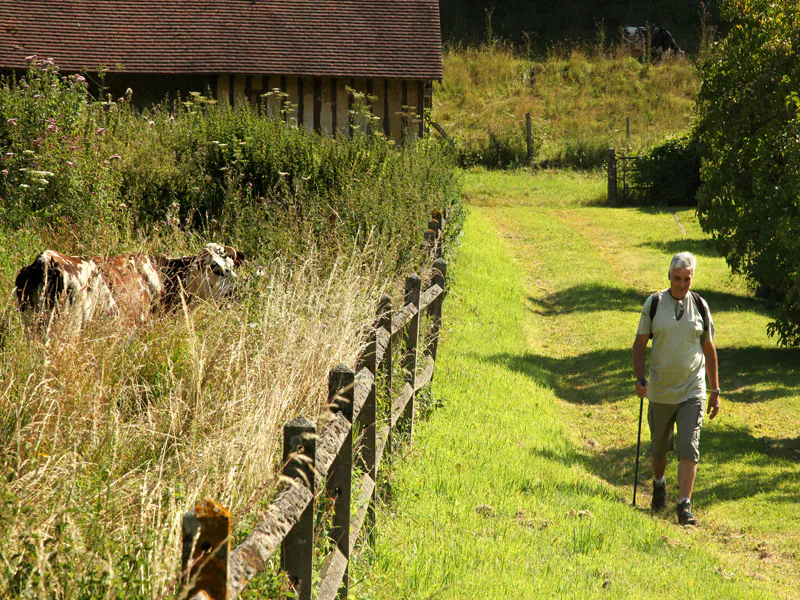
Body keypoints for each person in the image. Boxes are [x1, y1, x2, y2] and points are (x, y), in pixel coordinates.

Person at [632, 252, 720, 526]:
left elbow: (709, 349)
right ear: (669, 277)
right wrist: (639, 379)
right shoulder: (655, 303)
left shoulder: (700, 305)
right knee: (659, 453)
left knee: (688, 447)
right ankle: (659, 484)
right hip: (660, 391)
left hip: (692, 390)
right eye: (677, 278)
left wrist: (715, 390)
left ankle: (684, 505)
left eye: (687, 279)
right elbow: (639, 345)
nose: (682, 284)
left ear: (692, 278)